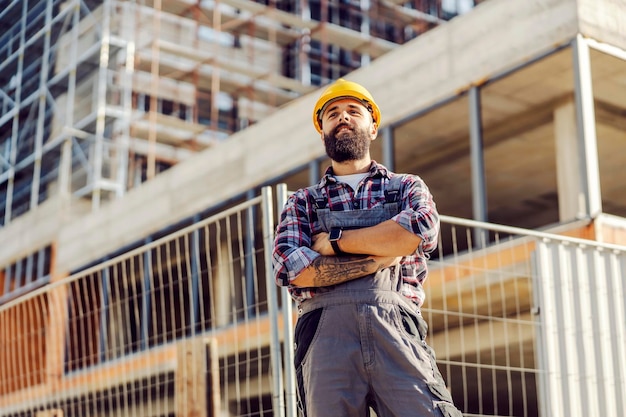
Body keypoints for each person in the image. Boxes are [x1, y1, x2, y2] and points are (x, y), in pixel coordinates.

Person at [272, 79, 462, 417]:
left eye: (353, 111)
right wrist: (380, 257)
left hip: (397, 329)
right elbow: (292, 270)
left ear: (373, 127)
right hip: (325, 340)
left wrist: (335, 242)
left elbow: (420, 230)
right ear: (323, 133)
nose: (342, 117)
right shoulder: (302, 203)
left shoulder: (405, 187)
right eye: (332, 114)